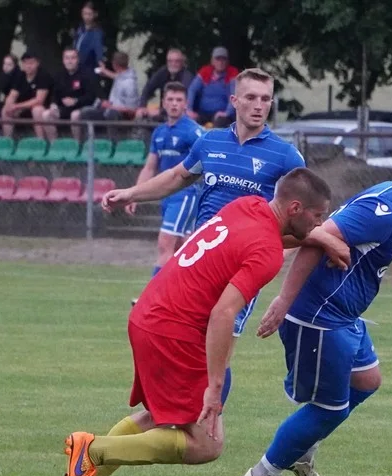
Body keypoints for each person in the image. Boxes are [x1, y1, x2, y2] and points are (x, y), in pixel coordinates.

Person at [49, 169, 335, 476]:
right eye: (318, 217)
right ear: (295, 209)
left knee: (159, 415)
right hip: (173, 329)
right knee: (206, 444)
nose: (322, 223)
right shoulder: (266, 254)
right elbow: (222, 314)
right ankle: (92, 450)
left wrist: (320, 238)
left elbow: (274, 239)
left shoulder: (248, 206)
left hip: (150, 314)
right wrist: (214, 388)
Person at [241, 152, 392, 476]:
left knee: (367, 381)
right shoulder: (384, 210)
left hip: (345, 316)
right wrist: (283, 302)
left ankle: (302, 448)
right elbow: (314, 239)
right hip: (320, 316)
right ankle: (263, 475)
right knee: (330, 407)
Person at [102, 68, 308, 396]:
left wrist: (298, 245)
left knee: (217, 357)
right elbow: (175, 177)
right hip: (199, 265)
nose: (259, 105)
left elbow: (308, 214)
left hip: (241, 268)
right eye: (251, 97)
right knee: (181, 348)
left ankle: (205, 430)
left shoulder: (285, 156)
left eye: (266, 99)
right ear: (234, 101)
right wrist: (130, 193)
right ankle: (173, 423)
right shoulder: (209, 142)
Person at [131, 82, 205, 292]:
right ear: (163, 103)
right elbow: (149, 167)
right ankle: (188, 294)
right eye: (170, 99)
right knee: (184, 247)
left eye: (179, 100)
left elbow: (208, 161)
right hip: (167, 197)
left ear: (185, 104)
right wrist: (134, 194)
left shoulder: (193, 132)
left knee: (165, 243)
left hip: (186, 194)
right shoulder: (159, 132)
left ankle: (151, 297)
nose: (174, 104)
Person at [37, 47, 100, 142]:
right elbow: (55, 94)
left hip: (82, 108)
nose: (70, 61)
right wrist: (53, 104)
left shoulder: (87, 74)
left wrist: (76, 101)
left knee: (75, 115)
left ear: (78, 59)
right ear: (63, 60)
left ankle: (77, 145)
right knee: (46, 114)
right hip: (64, 109)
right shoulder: (59, 74)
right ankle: (54, 145)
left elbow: (91, 97)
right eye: (67, 58)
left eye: (73, 58)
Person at [0, 52, 51, 139]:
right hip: (22, 109)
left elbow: (39, 100)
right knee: (5, 109)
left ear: (37, 63)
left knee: (37, 110)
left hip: (42, 108)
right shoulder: (20, 76)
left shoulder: (43, 76)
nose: (28, 66)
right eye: (25, 63)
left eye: (31, 63)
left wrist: (17, 106)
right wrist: (9, 105)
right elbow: (12, 94)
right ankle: (7, 141)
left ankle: (41, 141)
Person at [136, 49, 195, 122]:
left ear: (182, 63)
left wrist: (160, 111)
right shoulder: (162, 72)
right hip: (164, 112)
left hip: (180, 114)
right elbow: (147, 89)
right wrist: (142, 106)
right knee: (141, 117)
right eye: (170, 61)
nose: (173, 64)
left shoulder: (187, 77)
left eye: (176, 61)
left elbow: (182, 102)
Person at [187, 47, 238, 127]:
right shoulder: (205, 71)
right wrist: (189, 110)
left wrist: (227, 113)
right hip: (202, 112)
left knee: (221, 123)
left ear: (227, 61)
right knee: (190, 121)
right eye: (218, 59)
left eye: (223, 59)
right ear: (212, 61)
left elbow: (234, 95)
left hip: (221, 114)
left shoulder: (232, 73)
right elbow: (192, 90)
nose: (220, 62)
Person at [74, 2, 105, 76]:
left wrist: (100, 61)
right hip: (76, 64)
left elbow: (98, 47)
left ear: (95, 14)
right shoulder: (80, 29)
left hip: (88, 65)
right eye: (85, 14)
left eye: (89, 14)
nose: (87, 17)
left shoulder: (96, 32)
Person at [0, 54, 20, 123]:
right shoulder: (4, 75)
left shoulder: (18, 76)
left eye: (9, 65)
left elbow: (14, 93)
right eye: (5, 64)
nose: (6, 67)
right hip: (8, 100)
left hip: (19, 102)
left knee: (3, 109)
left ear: (15, 65)